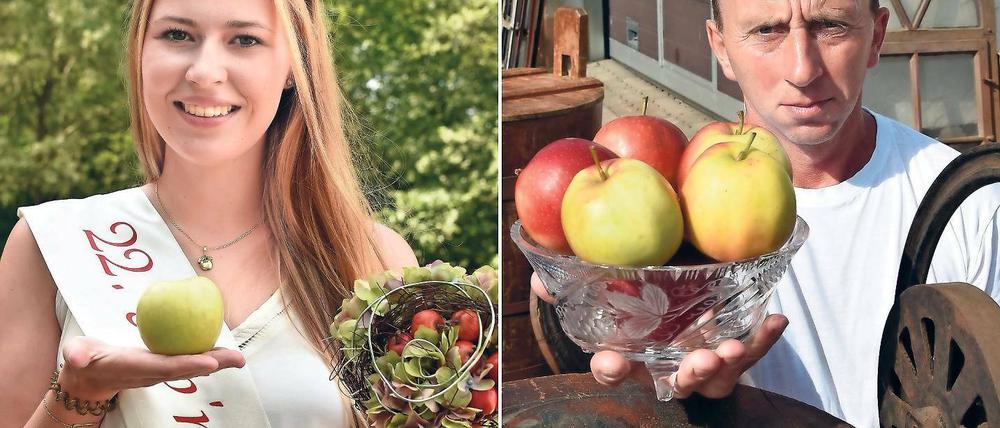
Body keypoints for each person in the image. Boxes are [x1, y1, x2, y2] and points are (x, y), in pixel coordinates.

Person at [532, 0, 1000, 425]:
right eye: (766, 31)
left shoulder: (968, 204)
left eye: (830, 26)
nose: (802, 68)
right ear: (720, 47)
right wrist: (665, 395)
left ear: (876, 37)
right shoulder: (659, 224)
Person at [0, 0, 419, 426]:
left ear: (294, 64)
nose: (204, 72)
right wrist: (79, 393)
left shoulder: (371, 259)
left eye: (245, 40)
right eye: (178, 35)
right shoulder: (51, 244)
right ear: (141, 52)